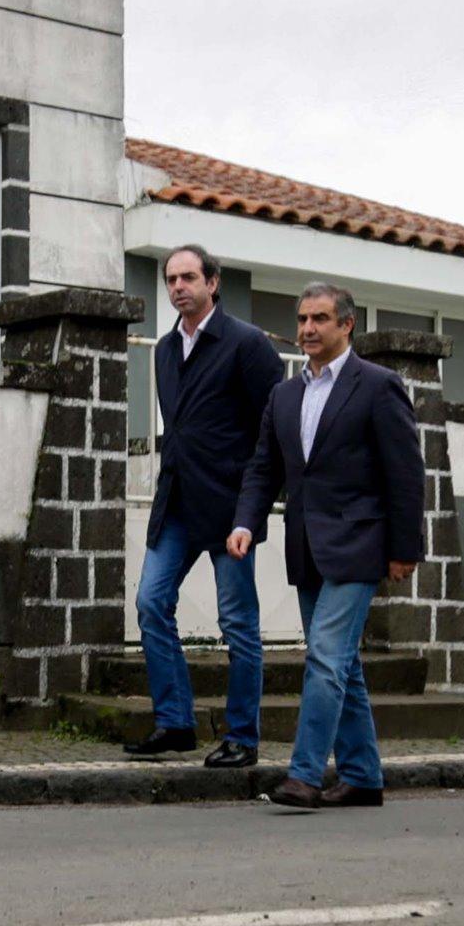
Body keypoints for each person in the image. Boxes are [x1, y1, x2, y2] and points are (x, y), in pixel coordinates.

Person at [230, 282, 426, 812]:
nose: (308, 329)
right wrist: (246, 522)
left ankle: (304, 775)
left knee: (324, 657)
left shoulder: (379, 385)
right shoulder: (284, 394)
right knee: (342, 665)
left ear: (347, 325)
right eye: (302, 319)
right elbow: (263, 468)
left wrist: (406, 548)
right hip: (307, 547)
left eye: (319, 319)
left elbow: (406, 474)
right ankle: (362, 775)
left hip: (361, 543)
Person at [128, 244, 284, 769]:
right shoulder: (164, 350)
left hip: (229, 506)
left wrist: (253, 508)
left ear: (212, 282)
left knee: (237, 622)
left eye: (189, 277)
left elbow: (274, 429)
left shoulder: (247, 344)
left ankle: (243, 736)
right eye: (171, 279)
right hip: (176, 502)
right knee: (151, 603)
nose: (178, 287)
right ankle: (175, 724)